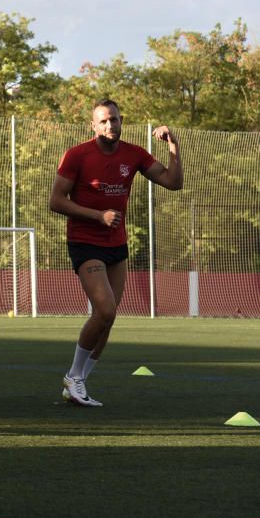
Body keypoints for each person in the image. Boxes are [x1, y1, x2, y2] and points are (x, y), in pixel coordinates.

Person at [49, 99, 182, 406]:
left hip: (116, 245)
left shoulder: (134, 154)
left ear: (122, 122)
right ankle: (73, 376)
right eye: (105, 121)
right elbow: (56, 201)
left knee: (108, 319)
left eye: (116, 120)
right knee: (105, 309)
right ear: (93, 125)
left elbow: (173, 183)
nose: (111, 125)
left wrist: (174, 146)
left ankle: (78, 381)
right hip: (85, 241)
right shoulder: (77, 155)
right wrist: (98, 216)